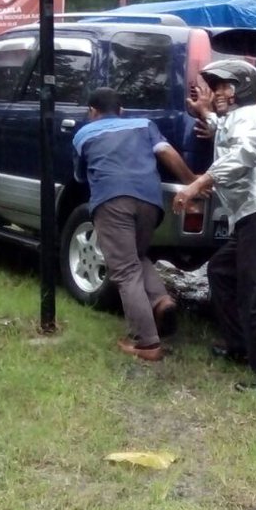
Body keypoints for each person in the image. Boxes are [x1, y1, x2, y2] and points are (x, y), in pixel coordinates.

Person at [173, 59, 256, 395]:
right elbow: (228, 132)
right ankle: (241, 345)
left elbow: (241, 153)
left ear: (241, 88)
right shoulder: (240, 118)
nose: (216, 94)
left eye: (223, 87)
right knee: (221, 271)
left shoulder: (252, 115)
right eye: (215, 88)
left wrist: (197, 184)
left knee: (254, 296)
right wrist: (205, 114)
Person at [72, 86, 197, 361]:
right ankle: (160, 301)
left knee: (125, 271)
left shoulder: (83, 133)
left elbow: (81, 176)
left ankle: (147, 343)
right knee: (136, 258)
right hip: (150, 201)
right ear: (122, 110)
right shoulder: (144, 124)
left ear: (92, 112)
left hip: (112, 200)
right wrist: (192, 181)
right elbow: (167, 153)